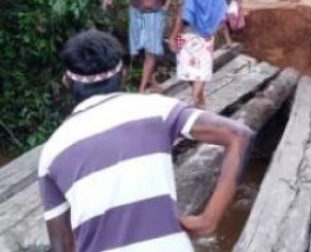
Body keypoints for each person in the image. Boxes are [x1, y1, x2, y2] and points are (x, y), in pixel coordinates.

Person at [38, 30, 254, 252]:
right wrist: (208, 220)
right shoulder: (157, 109)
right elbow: (238, 135)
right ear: (122, 75)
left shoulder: (52, 152)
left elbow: (62, 246)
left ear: (66, 82)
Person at [102, 0, 167, 93]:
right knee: (139, 50)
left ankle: (142, 88)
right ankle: (152, 81)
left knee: (151, 51)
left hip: (155, 14)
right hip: (137, 13)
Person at [169, 0, 227, 108]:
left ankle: (194, 100)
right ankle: (199, 100)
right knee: (202, 68)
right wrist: (213, 30)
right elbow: (222, 15)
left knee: (188, 68)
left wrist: (174, 38)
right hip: (206, 35)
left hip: (187, 32)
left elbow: (182, 17)